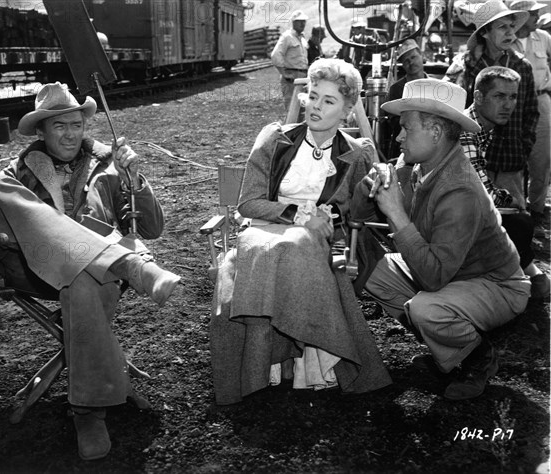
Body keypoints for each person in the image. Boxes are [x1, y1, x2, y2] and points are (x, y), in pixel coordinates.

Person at [0, 82, 181, 460]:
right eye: (58, 127)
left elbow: (151, 229)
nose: (70, 134)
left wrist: (134, 180)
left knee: (84, 279)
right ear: (42, 132)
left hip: (92, 272)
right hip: (38, 267)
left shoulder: (109, 162)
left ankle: (88, 411)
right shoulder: (16, 174)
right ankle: (131, 265)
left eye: (76, 125)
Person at [210, 58, 392, 406]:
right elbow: (248, 203)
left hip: (318, 239)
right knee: (288, 242)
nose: (315, 106)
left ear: (348, 110)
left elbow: (359, 212)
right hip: (264, 229)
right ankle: (264, 366)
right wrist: (297, 215)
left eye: (329, 101)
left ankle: (278, 362)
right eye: (313, 95)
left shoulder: (355, 156)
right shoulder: (275, 139)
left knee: (300, 243)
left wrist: (374, 181)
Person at [351, 78, 530, 400]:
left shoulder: (459, 188)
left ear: (434, 132)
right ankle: (449, 350)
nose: (398, 136)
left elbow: (432, 278)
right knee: (371, 269)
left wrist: (396, 213)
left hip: (496, 284)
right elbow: (360, 214)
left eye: (407, 128)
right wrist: (368, 189)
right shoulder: (425, 165)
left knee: (426, 308)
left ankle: (477, 358)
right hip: (453, 275)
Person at [460, 66, 550, 299]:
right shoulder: (466, 131)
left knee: (517, 218)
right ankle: (517, 278)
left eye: (512, 97)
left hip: (462, 211)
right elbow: (482, 195)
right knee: (520, 222)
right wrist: (511, 202)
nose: (508, 104)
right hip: (448, 220)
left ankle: (521, 273)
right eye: (499, 96)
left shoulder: (485, 128)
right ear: (478, 97)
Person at [443, 0, 539, 209]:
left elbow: (531, 113)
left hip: (511, 162)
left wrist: (524, 147)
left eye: (512, 26)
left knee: (515, 224)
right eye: (502, 27)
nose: (510, 33)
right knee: (475, 222)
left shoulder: (522, 66)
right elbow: (447, 107)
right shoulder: (465, 64)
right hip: (473, 163)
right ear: (485, 33)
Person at [509, 0, 551, 230]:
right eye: (533, 13)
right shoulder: (508, 39)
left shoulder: (544, 38)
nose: (537, 17)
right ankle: (517, 209)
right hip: (516, 102)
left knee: (542, 158)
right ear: (523, 15)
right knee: (515, 154)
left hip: (542, 99)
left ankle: (536, 209)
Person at [385, 39, 428, 159]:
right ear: (403, 65)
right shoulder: (396, 89)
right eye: (406, 61)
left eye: (413, 57)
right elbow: (394, 122)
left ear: (421, 55)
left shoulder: (434, 86)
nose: (411, 63)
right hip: (403, 148)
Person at [271, 10, 309, 113]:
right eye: (299, 21)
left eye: (304, 21)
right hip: (291, 78)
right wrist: (284, 73)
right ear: (293, 22)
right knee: (292, 109)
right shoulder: (287, 37)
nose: (302, 24)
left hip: (303, 77)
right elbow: (275, 55)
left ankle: (299, 129)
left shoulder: (302, 39)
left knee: (302, 109)